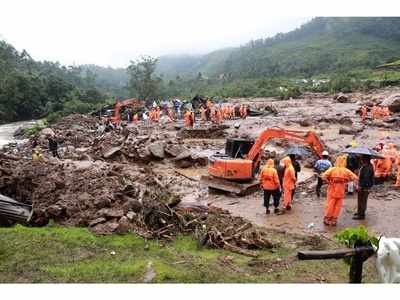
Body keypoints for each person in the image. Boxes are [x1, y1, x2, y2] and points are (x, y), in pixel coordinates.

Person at [321, 156, 358, 226]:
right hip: (341, 189)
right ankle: (334, 220)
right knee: (338, 205)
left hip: (332, 188)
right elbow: (355, 177)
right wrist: (347, 181)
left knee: (330, 204)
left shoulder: (332, 169)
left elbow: (323, 176)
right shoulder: (346, 170)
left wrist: (328, 182)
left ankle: (327, 218)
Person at [353, 155, 374, 220]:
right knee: (360, 199)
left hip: (365, 187)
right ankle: (359, 212)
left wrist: (360, 186)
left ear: (365, 159)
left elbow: (366, 178)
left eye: (362, 159)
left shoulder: (368, 167)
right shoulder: (365, 166)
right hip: (363, 185)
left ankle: (361, 215)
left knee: (363, 200)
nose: (361, 160)